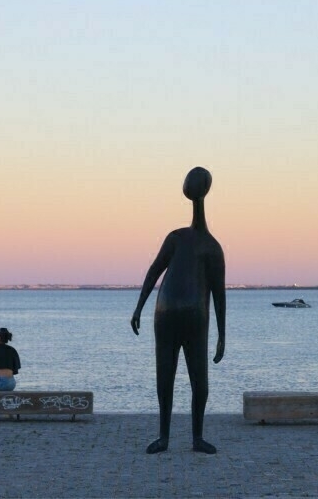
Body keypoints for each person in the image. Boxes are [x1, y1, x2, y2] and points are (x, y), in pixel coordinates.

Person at [131, 166, 226, 455]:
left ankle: (195, 438)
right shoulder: (181, 239)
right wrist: (138, 307)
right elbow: (154, 271)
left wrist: (222, 336)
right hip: (168, 316)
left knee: (199, 380)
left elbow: (219, 294)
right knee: (166, 377)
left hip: (190, 317)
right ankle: (165, 437)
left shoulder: (210, 247)